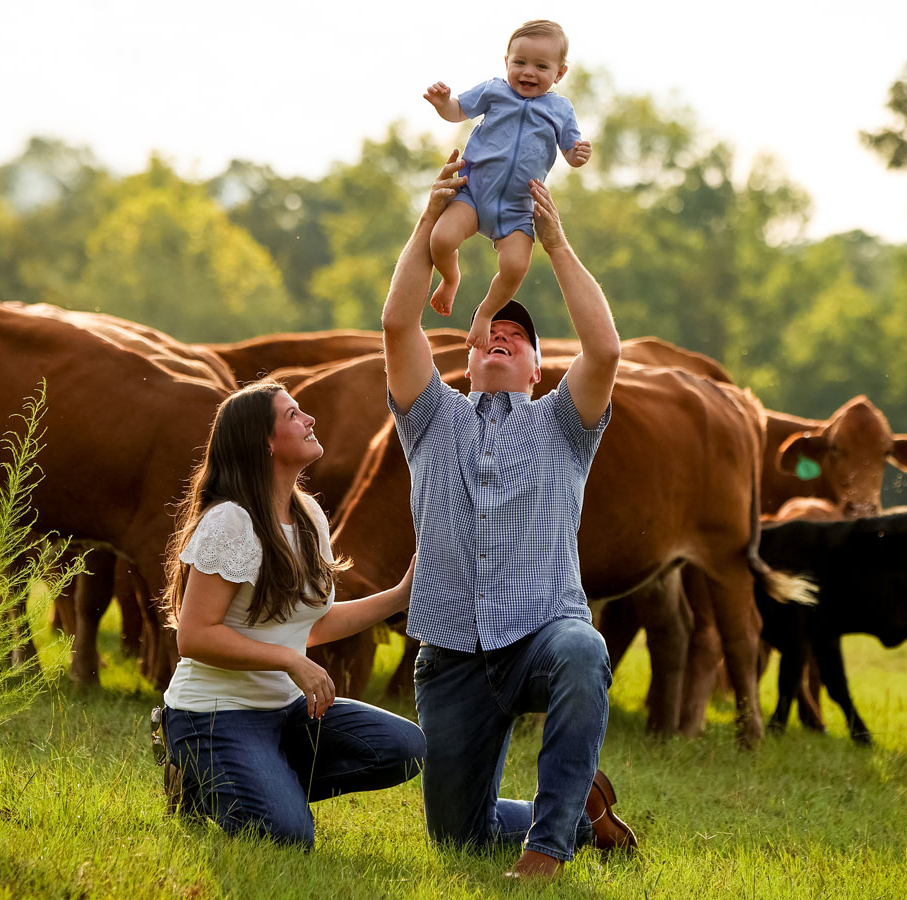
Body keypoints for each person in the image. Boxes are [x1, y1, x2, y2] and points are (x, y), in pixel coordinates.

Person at [378, 150, 636, 879]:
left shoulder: (563, 423)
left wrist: (554, 245)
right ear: (463, 358)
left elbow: (606, 347)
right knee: (457, 842)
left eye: (517, 337)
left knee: (584, 650)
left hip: (541, 634)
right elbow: (398, 323)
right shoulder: (430, 418)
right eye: (490, 329)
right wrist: (431, 222)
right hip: (452, 655)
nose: (501, 335)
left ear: (535, 370)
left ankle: (546, 854)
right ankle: (578, 811)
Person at [152, 381, 423, 849]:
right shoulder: (231, 521)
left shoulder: (309, 515)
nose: (309, 419)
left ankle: (253, 780)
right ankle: (199, 777)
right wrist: (291, 661)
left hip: (286, 712)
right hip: (215, 716)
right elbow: (194, 637)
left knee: (404, 749)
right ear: (266, 442)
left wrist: (402, 595)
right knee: (287, 836)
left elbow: (310, 624)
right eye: (294, 415)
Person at [421, 18, 594, 343]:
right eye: (520, 62)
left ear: (559, 73)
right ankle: (451, 276)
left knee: (516, 267)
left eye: (541, 66)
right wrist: (444, 103)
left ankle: (485, 313)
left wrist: (578, 155)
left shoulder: (560, 109)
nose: (528, 72)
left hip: (518, 208)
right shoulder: (494, 90)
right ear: (506, 62)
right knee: (441, 240)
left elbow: (570, 151)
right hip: (473, 194)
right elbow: (458, 110)